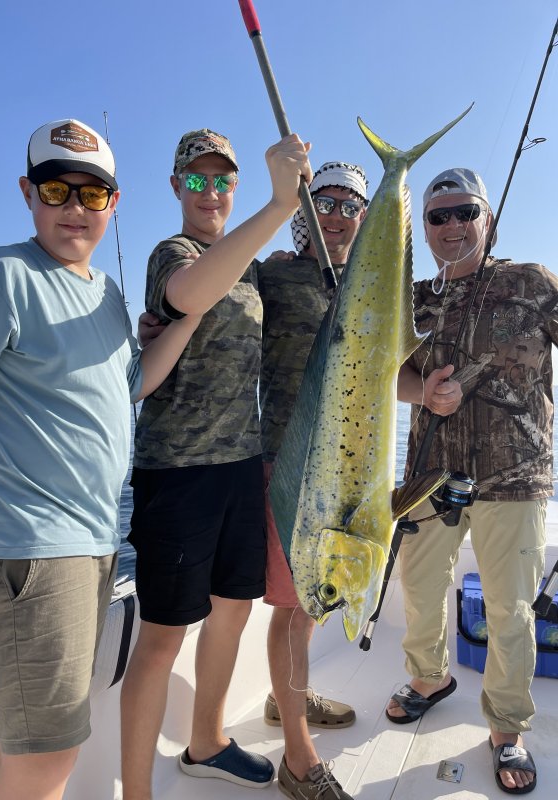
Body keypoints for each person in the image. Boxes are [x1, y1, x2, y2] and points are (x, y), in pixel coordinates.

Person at [0, 118, 205, 800]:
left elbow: (132, 384)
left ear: (114, 203)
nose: (74, 207)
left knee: (43, 749)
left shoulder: (106, 294)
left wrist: (189, 317)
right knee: (45, 760)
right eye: (55, 189)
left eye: (92, 194)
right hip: (31, 548)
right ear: (27, 192)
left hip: (92, 546)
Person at [120, 128, 312, 799]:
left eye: (222, 180)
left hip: (242, 465)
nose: (210, 192)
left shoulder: (253, 267)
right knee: (163, 637)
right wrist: (279, 206)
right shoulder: (170, 253)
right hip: (178, 473)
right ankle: (137, 793)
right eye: (196, 180)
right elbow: (187, 294)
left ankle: (206, 741)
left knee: (233, 610)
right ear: (177, 186)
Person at [390, 168, 556, 795]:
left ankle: (507, 727)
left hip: (517, 474)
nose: (453, 225)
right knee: (419, 584)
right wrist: (422, 393)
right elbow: (385, 373)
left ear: (488, 218)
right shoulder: (412, 299)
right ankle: (429, 678)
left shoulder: (533, 283)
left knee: (510, 609)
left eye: (466, 212)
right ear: (426, 227)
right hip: (430, 473)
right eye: (439, 216)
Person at [258, 162, 367, 800]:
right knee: (295, 606)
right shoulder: (272, 274)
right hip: (290, 463)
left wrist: (428, 394)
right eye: (324, 202)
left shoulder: (368, 284)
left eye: (351, 206)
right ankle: (298, 759)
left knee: (317, 599)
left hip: (351, 469)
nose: (336, 215)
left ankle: (286, 700)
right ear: (304, 209)